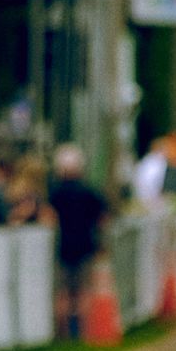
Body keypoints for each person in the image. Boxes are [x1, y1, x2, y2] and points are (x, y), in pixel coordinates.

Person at [47, 141, 108, 339]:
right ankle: (82, 330)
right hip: (85, 245)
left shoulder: (55, 193)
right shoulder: (89, 192)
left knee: (63, 291)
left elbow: (49, 217)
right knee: (82, 290)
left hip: (63, 246)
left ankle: (63, 332)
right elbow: (102, 217)